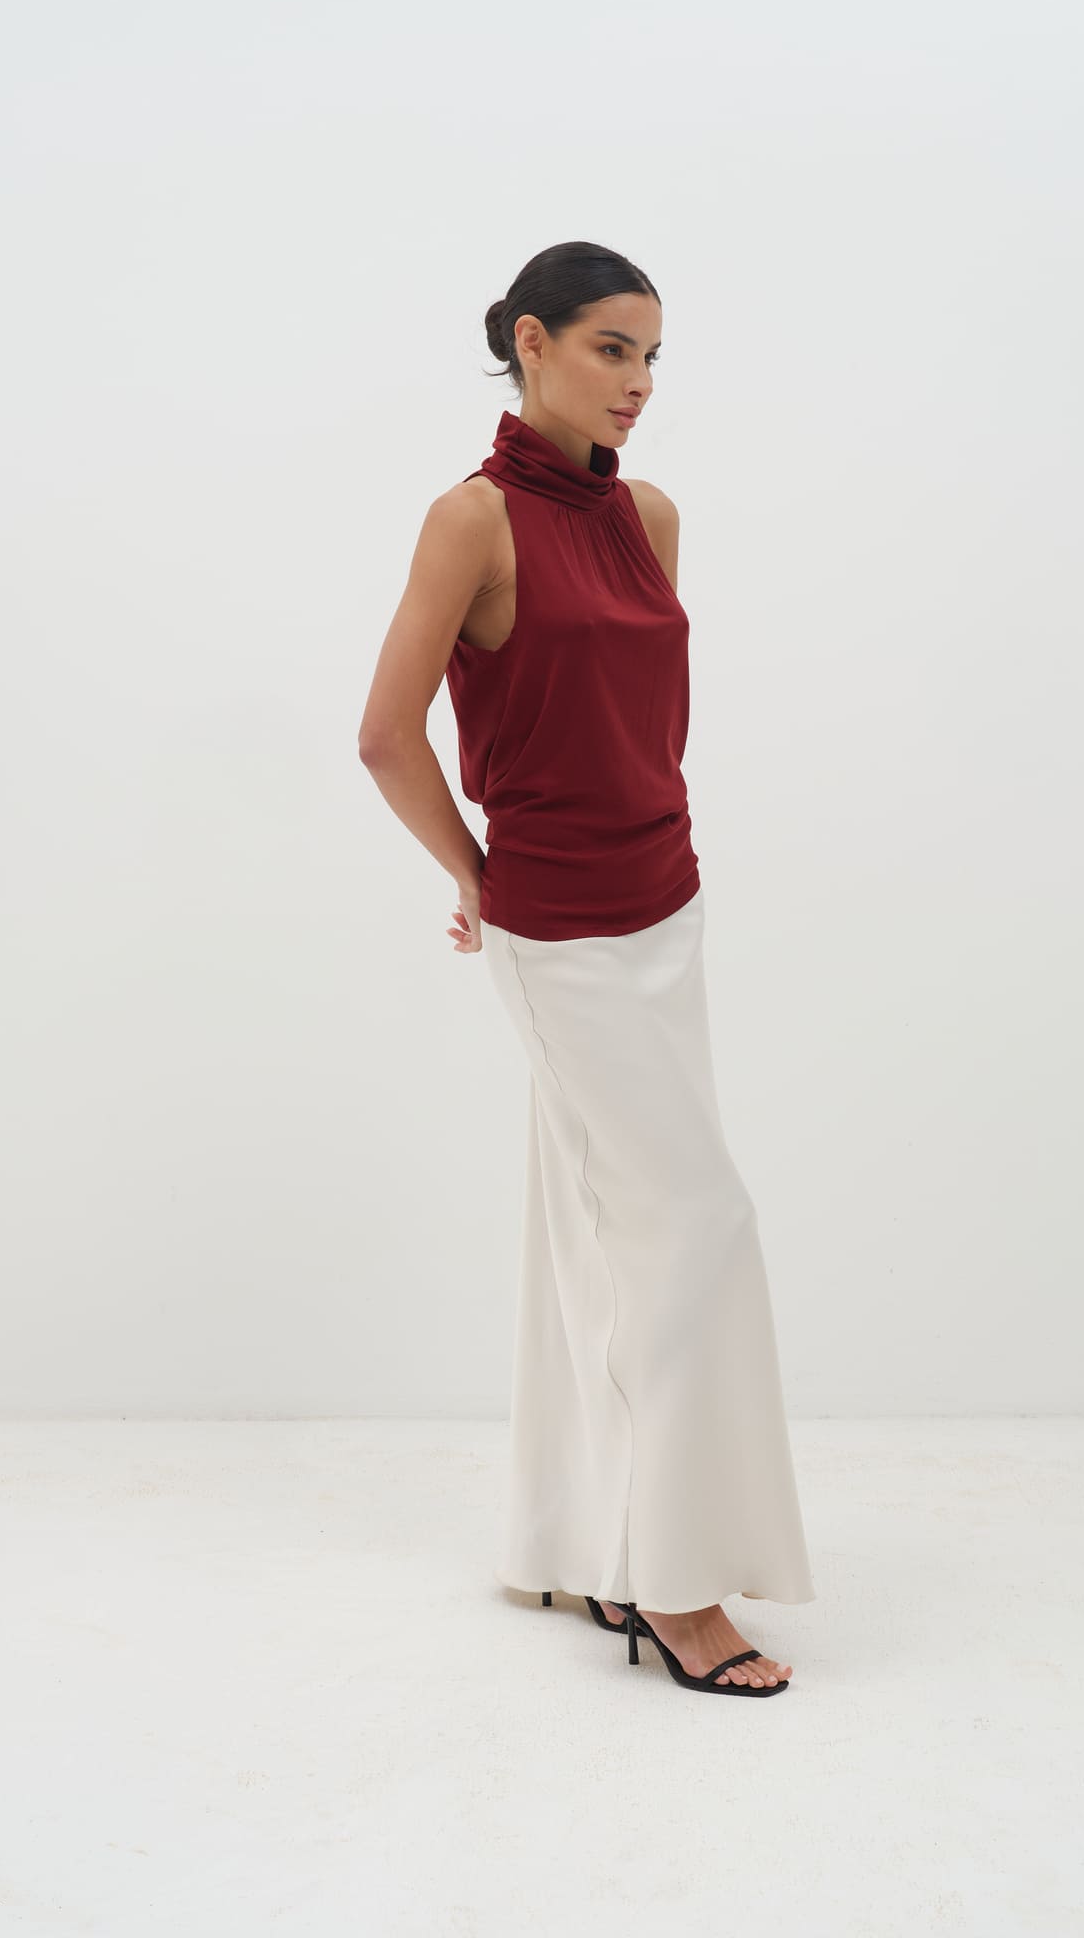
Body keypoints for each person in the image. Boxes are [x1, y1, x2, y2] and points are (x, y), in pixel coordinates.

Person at [358, 240, 816, 1697]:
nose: (640, 382)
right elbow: (387, 735)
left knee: (593, 1223)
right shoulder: (471, 520)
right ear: (533, 343)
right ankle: (677, 1588)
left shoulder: (650, 517)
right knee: (693, 1225)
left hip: (667, 905)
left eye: (654, 355)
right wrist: (476, 877)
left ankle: (573, 1541)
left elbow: (636, 719)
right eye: (614, 348)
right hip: (557, 928)